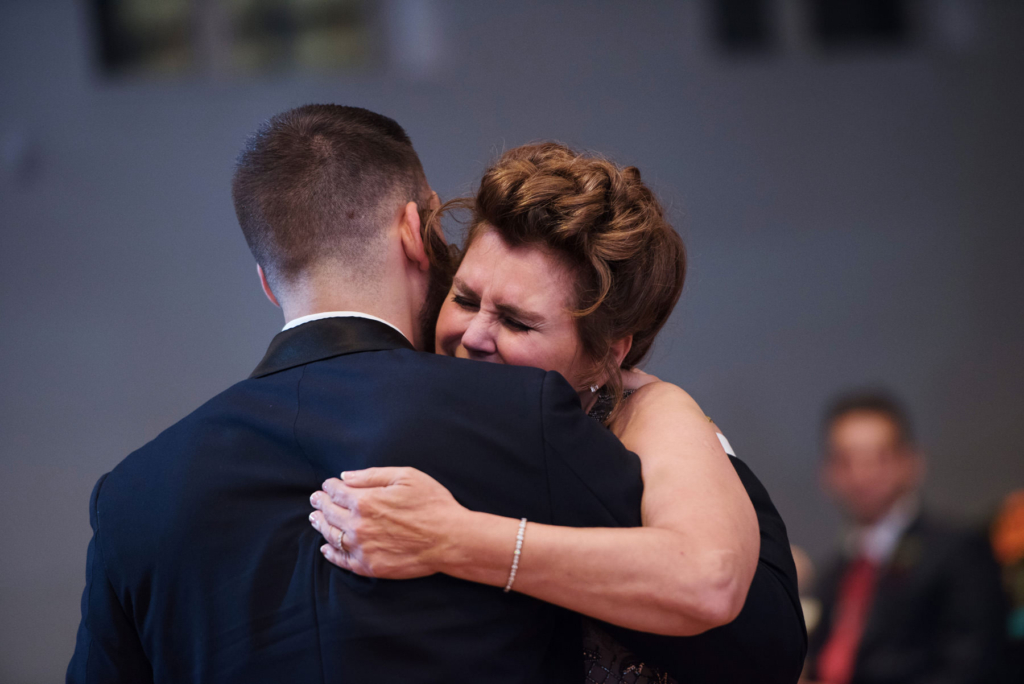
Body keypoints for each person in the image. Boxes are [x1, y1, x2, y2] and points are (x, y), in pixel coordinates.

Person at [308, 141, 806, 682]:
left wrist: (453, 539)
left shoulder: (652, 412)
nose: (473, 336)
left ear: (606, 354)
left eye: (518, 322)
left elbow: (709, 581)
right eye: (466, 299)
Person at [803, 390, 1006, 684]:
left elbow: (972, 667)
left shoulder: (958, 552)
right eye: (846, 460)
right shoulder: (834, 573)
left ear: (911, 462)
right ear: (827, 473)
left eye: (878, 458)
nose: (861, 474)